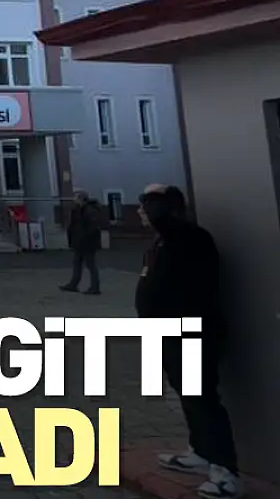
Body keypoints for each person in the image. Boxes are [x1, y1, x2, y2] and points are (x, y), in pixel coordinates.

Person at [136, 184, 241, 498]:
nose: (140, 211)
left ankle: (225, 473)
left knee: (203, 399)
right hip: (168, 334)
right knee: (187, 394)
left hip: (191, 334)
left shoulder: (190, 238)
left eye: (147, 204)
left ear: (163, 209)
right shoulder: (161, 241)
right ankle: (200, 452)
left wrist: (162, 200)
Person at [62, 191, 105, 295]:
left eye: (76, 198)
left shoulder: (89, 210)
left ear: (81, 199)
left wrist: (83, 237)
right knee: (77, 263)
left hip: (87, 243)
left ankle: (94, 287)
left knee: (90, 265)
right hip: (80, 242)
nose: (74, 200)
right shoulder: (79, 210)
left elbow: (92, 227)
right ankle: (73, 284)